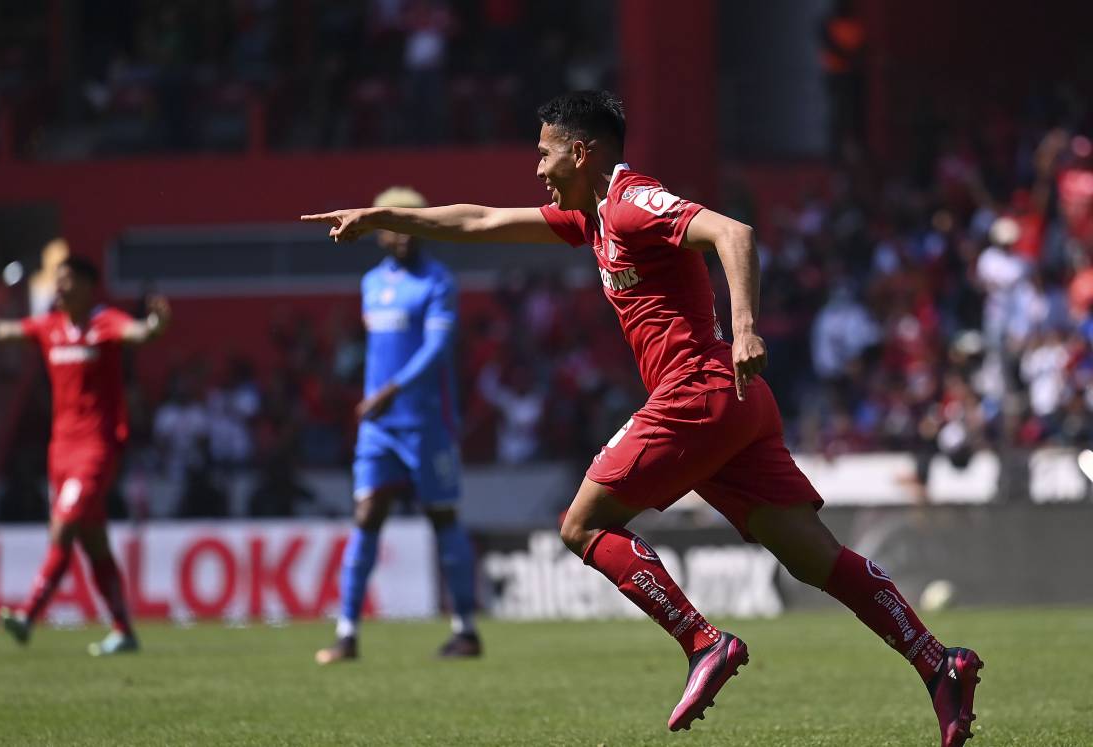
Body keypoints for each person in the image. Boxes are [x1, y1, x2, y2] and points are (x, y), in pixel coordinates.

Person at [303, 91, 983, 745]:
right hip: (729, 407)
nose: (538, 170)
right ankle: (939, 663)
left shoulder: (631, 202)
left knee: (582, 524)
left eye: (544, 154)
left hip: (699, 390)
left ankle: (703, 642)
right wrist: (382, 217)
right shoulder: (593, 217)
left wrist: (746, 328)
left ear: (581, 152)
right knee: (815, 559)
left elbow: (733, 232)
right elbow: (479, 221)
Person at [0, 256, 170, 656]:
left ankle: (28, 615)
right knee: (94, 541)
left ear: (88, 286)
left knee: (62, 528)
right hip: (60, 450)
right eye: (58, 280)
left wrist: (156, 324)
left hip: (96, 449)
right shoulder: (49, 327)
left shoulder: (104, 322)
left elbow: (140, 333)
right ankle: (123, 631)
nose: (59, 287)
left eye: (67, 280)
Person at [314, 186, 480, 664]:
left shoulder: (438, 281)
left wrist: (390, 390)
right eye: (393, 225)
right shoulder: (371, 283)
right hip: (379, 427)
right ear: (379, 232)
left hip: (426, 422)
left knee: (442, 517)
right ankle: (347, 633)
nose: (403, 234)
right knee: (366, 515)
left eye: (411, 223)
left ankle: (466, 630)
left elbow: (436, 350)